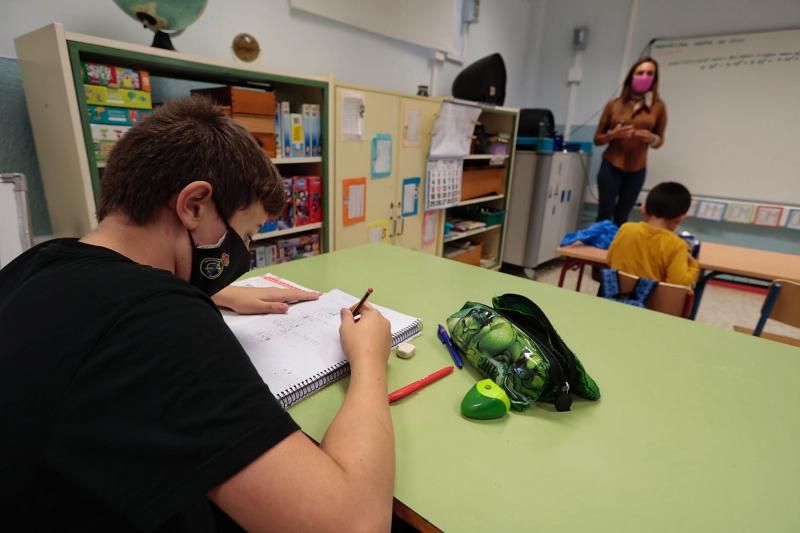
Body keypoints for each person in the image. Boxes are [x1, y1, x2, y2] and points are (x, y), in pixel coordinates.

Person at [0, 96, 395, 532]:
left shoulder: (35, 264)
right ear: (194, 205)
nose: (242, 252)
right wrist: (369, 360)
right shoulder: (156, 322)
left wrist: (214, 296)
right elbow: (355, 524)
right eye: (244, 234)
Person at [594, 56, 668, 227]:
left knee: (622, 217)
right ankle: (598, 251)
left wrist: (652, 138)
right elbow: (598, 139)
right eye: (640, 72)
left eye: (650, 73)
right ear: (631, 76)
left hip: (637, 168)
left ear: (655, 79)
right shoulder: (614, 105)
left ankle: (618, 252)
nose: (645, 76)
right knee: (604, 216)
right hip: (611, 165)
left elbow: (660, 140)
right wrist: (613, 135)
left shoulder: (658, 107)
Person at [607, 181, 700, 287]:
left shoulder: (626, 228)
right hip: (649, 301)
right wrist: (694, 266)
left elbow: (610, 259)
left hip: (612, 294)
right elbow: (677, 283)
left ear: (646, 209)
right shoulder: (677, 245)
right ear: (679, 219)